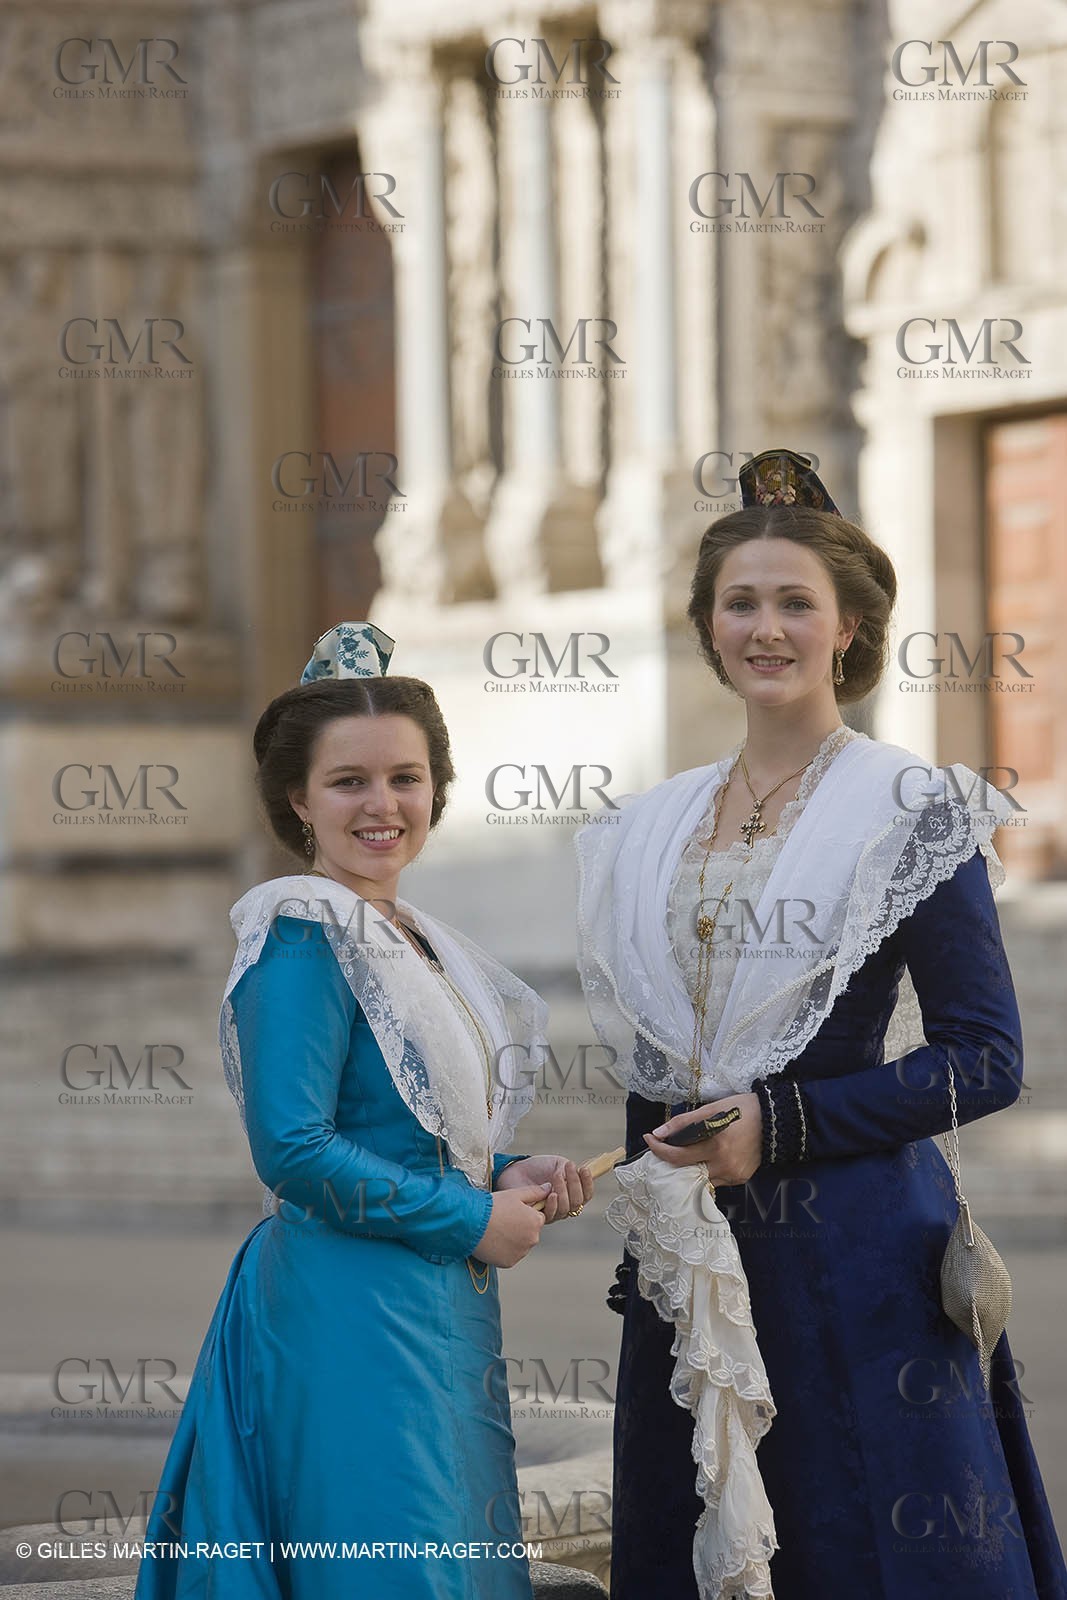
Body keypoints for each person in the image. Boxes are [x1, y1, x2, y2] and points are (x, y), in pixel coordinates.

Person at [575, 452, 1067, 1600]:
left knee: (861, 1549)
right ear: (706, 625)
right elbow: (659, 1062)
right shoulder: (649, 824)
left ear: (847, 626)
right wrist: (639, 1221)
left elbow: (984, 1058)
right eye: (738, 602)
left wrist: (781, 1125)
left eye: (794, 602)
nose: (765, 628)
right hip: (691, 1265)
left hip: (857, 1260)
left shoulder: (909, 808)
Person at [135, 621, 594, 1600]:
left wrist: (500, 1171)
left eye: (404, 777)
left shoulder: (414, 937)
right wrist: (470, 1217)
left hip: (434, 1303)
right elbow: (293, 1148)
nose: (382, 804)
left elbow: (407, 1125)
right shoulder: (303, 931)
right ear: (298, 799)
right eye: (349, 781)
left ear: (436, 787)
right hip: (346, 1308)